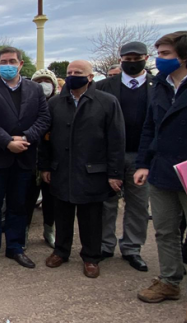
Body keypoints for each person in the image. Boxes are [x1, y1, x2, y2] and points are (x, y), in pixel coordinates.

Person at [134, 31, 187, 323]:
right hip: (162, 171)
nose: (159, 59)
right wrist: (143, 163)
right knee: (165, 231)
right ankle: (170, 281)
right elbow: (150, 127)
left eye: (165, 53)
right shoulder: (160, 86)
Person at [39, 60, 125, 279]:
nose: (72, 75)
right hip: (62, 170)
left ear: (90, 77)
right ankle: (61, 251)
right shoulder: (56, 103)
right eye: (69, 72)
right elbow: (45, 140)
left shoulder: (107, 102)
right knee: (63, 214)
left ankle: (91, 257)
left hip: (92, 171)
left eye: (78, 72)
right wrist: (46, 167)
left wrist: (115, 173)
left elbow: (116, 140)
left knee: (91, 217)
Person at [0, 47, 50, 269]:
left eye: (12, 61)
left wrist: (26, 138)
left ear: (20, 64)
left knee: (19, 205)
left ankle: (16, 247)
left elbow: (44, 118)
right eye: (3, 62)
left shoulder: (35, 89)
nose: (7, 65)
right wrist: (8, 141)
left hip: (25, 157)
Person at [96, 42, 153, 272]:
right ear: (120, 60)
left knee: (138, 204)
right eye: (126, 58)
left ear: (146, 58)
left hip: (142, 155)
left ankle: (132, 248)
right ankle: (104, 244)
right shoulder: (103, 87)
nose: (131, 62)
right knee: (107, 202)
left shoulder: (157, 86)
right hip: (110, 154)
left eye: (135, 58)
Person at [23, 68, 60, 249]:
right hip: (31, 159)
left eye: (47, 81)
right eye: (38, 82)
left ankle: (49, 230)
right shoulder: (27, 104)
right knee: (27, 198)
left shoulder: (59, 104)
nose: (43, 86)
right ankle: (24, 231)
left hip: (53, 160)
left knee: (51, 199)